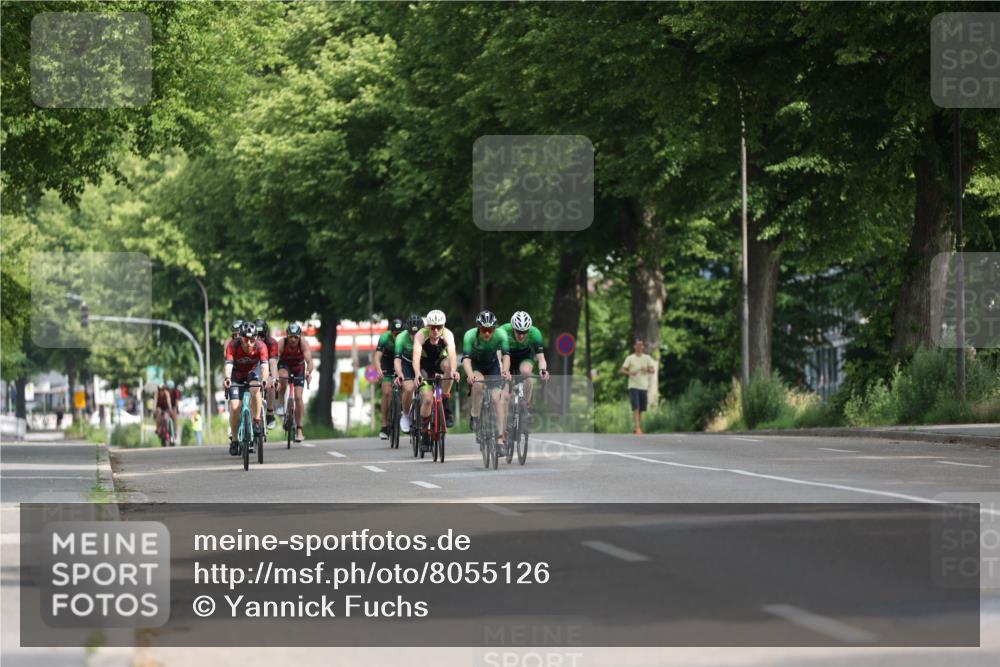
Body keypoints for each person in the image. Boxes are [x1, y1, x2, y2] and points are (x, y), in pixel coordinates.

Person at [462, 310, 511, 448]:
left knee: (498, 399)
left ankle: (500, 439)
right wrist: (470, 374)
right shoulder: (470, 336)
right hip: (476, 365)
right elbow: (466, 359)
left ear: (494, 329)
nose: (487, 333)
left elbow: (506, 356)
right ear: (479, 328)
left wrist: (505, 370)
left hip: (492, 366)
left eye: (490, 330)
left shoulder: (501, 335)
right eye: (484, 330)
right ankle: (476, 416)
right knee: (477, 385)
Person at [411, 310, 460, 440]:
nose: (436, 330)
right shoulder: (421, 335)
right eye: (433, 327)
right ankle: (425, 432)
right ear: (428, 326)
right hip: (424, 366)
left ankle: (444, 401)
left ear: (443, 326)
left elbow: (452, 354)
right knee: (427, 400)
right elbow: (415, 358)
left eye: (439, 327)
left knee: (449, 367)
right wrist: (416, 374)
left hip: (440, 362)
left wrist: (454, 370)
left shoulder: (448, 334)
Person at [223, 321, 270, 455]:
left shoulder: (261, 346)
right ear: (240, 337)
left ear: (256, 338)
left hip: (252, 373)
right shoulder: (232, 345)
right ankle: (235, 440)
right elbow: (228, 365)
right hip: (236, 375)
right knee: (234, 407)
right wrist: (227, 378)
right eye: (245, 339)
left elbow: (264, 367)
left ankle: (256, 421)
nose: (249, 342)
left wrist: (265, 380)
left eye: (252, 339)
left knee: (256, 390)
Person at [499, 311, 550, 406]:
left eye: (524, 332)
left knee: (526, 372)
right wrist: (502, 369)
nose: (521, 335)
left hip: (525, 356)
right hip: (507, 356)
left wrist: (543, 370)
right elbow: (497, 354)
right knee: (504, 395)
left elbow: (541, 358)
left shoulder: (535, 333)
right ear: (513, 328)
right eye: (518, 332)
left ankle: (526, 407)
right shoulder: (503, 331)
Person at [275, 322, 314, 443]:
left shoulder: (303, 343)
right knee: (283, 376)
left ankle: (299, 430)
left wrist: (308, 372)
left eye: (295, 337)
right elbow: (274, 358)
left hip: (298, 368)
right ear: (287, 336)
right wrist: (273, 374)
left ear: (299, 336)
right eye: (290, 337)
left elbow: (309, 361)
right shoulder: (282, 343)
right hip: (284, 366)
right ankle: (281, 403)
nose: (293, 340)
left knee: (298, 397)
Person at [392, 314, 424, 434]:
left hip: (422, 362)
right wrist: (399, 373)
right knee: (409, 388)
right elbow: (397, 359)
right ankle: (405, 415)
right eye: (411, 333)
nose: (414, 336)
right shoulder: (401, 337)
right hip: (406, 363)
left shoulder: (426, 335)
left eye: (416, 334)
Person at [374, 318, 404, 440]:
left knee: (406, 386)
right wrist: (379, 370)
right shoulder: (385, 338)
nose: (397, 336)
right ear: (391, 332)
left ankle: (402, 409)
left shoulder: (407, 338)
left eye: (400, 333)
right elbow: (377, 357)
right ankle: (385, 425)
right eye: (395, 334)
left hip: (401, 362)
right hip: (387, 362)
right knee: (386, 393)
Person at [620, 337, 656, 435]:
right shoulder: (630, 358)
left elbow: (653, 371)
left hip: (644, 386)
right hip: (633, 386)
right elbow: (622, 370)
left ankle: (637, 427)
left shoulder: (647, 358)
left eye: (641, 345)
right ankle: (638, 428)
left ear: (643, 347)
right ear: (634, 346)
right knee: (636, 407)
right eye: (638, 345)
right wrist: (630, 372)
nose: (640, 347)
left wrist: (647, 370)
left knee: (641, 409)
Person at [255, 319, 280, 429]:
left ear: (266, 334)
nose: (259, 338)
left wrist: (275, 379)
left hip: (267, 367)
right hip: (254, 367)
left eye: (262, 336)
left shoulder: (272, 343)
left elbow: (273, 363)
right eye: (257, 335)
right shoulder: (248, 342)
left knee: (271, 384)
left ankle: (269, 413)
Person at [167, 380, 182, 445]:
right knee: (166, 418)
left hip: (173, 407)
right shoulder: (165, 391)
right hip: (166, 407)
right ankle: (166, 431)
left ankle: (175, 432)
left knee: (175, 418)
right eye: (168, 389)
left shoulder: (175, 392)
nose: (170, 390)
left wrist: (177, 409)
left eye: (171, 389)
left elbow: (176, 401)